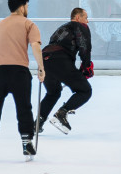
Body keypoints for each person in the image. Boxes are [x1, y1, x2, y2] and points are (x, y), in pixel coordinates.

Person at [0, 0, 45, 160]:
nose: (27, 9)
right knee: (24, 107)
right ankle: (26, 143)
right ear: (22, 7)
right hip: (19, 72)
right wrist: (41, 67)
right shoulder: (28, 24)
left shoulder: (0, 24)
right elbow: (35, 45)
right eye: (27, 6)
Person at [36, 7, 93, 135]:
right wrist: (86, 67)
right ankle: (62, 113)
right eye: (86, 18)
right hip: (60, 60)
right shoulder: (80, 26)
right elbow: (84, 46)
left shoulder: (62, 28)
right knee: (85, 90)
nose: (87, 21)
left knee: (53, 92)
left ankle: (38, 122)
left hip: (44, 60)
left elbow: (54, 44)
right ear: (78, 17)